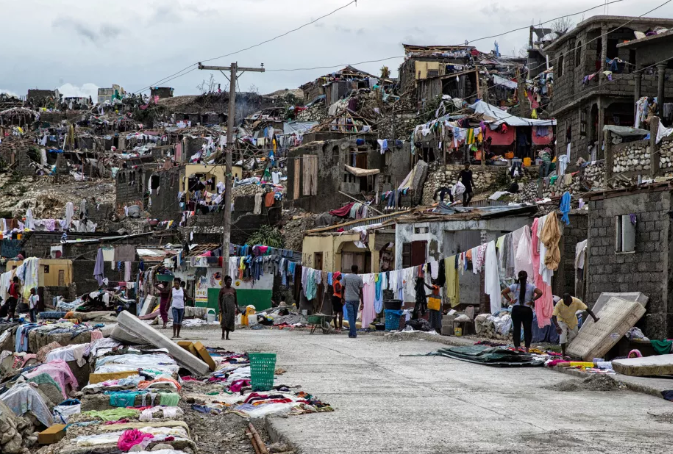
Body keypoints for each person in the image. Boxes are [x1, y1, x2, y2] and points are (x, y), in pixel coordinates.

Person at [501, 271, 542, 352]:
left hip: (516, 309)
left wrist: (510, 300)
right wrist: (532, 300)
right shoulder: (531, 287)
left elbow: (504, 292)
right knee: (527, 329)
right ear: (526, 277)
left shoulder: (514, 286)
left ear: (518, 277)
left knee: (516, 329)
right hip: (527, 310)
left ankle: (516, 347)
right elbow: (540, 292)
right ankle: (527, 348)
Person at [341, 265, 364, 339]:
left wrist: (342, 298)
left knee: (351, 317)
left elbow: (342, 288)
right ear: (357, 270)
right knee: (353, 317)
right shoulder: (359, 279)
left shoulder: (346, 277)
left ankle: (352, 332)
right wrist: (362, 302)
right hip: (356, 300)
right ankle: (353, 333)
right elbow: (361, 292)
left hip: (348, 299)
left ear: (351, 269)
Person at [219, 275, 237, 340]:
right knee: (224, 321)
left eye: (230, 281)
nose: (229, 282)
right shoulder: (222, 290)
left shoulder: (233, 290)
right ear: (225, 282)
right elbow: (219, 299)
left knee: (230, 321)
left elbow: (236, 300)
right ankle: (223, 334)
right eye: (228, 281)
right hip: (225, 308)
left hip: (231, 308)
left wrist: (237, 307)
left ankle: (227, 335)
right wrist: (220, 308)